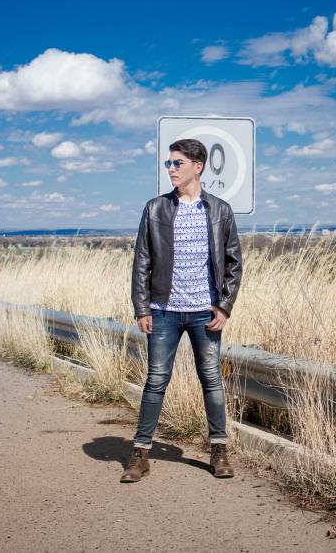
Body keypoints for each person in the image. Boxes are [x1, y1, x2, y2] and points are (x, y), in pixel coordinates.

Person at [120, 138, 243, 483]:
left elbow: (234, 263)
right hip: (163, 312)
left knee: (212, 380)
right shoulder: (155, 208)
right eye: (168, 164)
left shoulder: (219, 210)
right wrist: (142, 307)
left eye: (177, 163)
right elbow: (141, 262)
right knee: (156, 380)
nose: (171, 169)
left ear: (197, 166)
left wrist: (225, 306)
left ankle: (219, 452)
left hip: (206, 313)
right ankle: (140, 454)